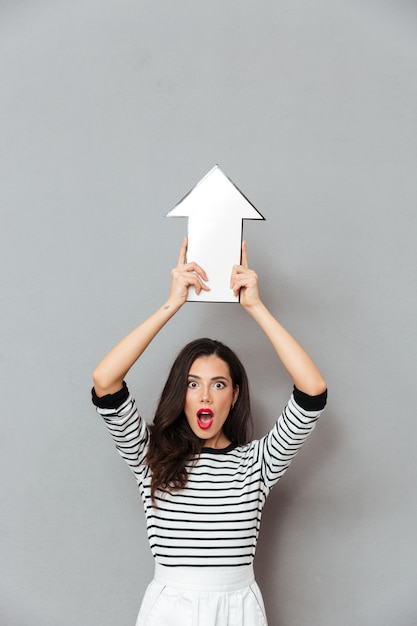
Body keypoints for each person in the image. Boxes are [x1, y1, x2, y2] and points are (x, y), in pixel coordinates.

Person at [91, 238, 327, 626]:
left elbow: (312, 392)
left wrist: (255, 306)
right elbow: (105, 380)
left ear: (234, 396)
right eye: (192, 383)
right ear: (179, 393)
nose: (205, 395)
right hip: (170, 611)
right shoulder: (148, 454)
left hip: (239, 610)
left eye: (218, 384)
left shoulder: (257, 463)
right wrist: (172, 304)